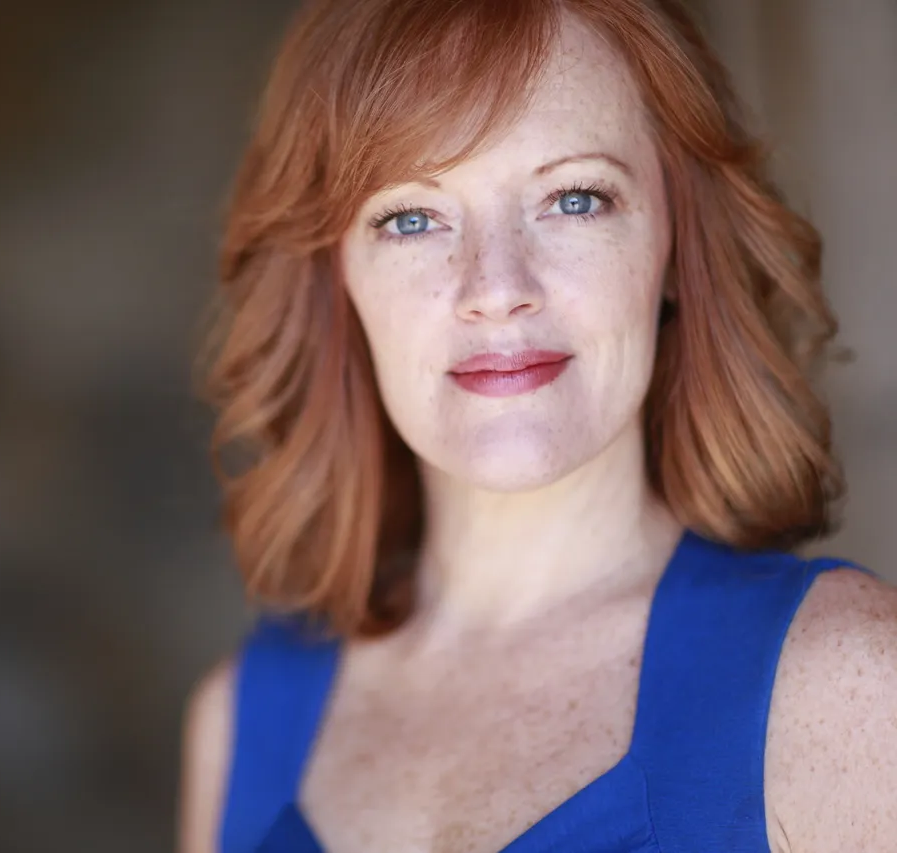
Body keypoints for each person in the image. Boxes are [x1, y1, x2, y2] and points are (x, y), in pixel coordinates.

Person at [179, 1, 897, 851]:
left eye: (575, 198)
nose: (496, 285)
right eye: (411, 217)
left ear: (675, 242)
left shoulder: (853, 688)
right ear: (337, 280)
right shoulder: (235, 728)